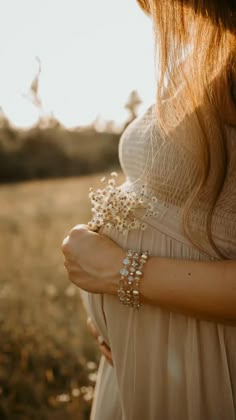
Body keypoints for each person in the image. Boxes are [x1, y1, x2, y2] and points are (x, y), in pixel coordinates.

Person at [62, 0, 236, 419]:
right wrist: (113, 316)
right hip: (142, 353)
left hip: (205, 364)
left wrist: (119, 272)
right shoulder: (206, 57)